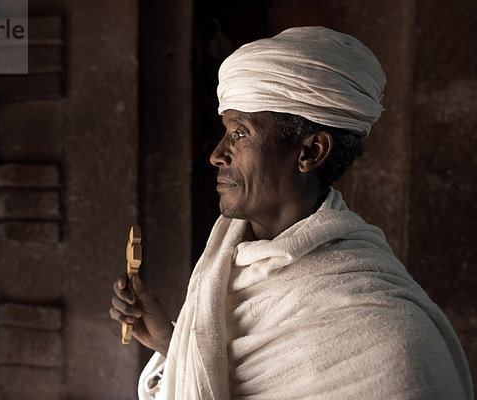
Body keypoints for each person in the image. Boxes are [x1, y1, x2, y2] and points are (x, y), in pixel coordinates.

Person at [109, 26, 473, 399]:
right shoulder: (226, 269)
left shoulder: (387, 336)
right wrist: (176, 344)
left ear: (310, 152)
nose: (217, 154)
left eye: (240, 133)